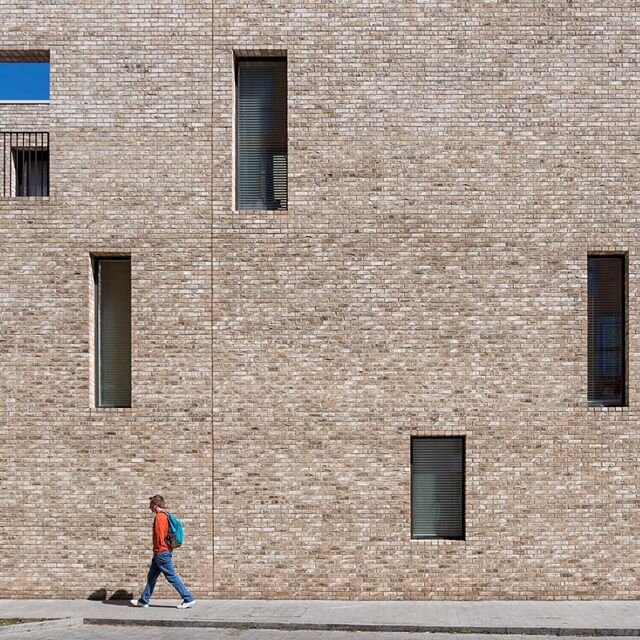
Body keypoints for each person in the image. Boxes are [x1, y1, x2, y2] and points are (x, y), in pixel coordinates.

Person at [130, 495, 196, 609]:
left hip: (161, 552)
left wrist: (158, 550)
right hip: (161, 552)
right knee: (151, 577)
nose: (149, 507)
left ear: (155, 505)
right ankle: (144, 600)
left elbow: (160, 536)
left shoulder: (160, 517)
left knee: (171, 576)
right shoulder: (165, 515)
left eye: (151, 505)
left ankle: (188, 598)